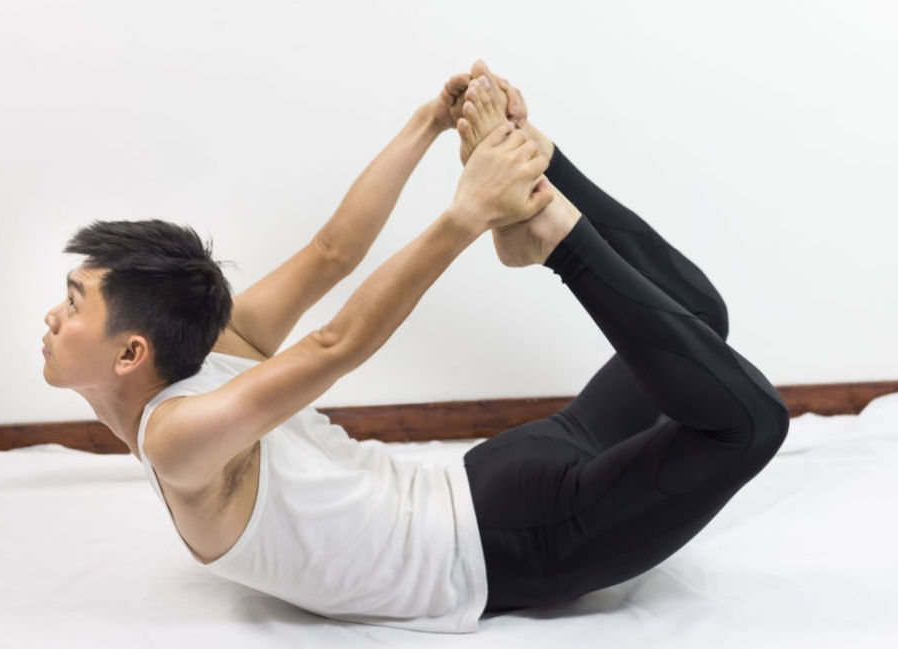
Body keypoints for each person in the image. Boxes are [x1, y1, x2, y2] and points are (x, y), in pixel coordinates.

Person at [40, 60, 788, 634]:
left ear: (133, 352)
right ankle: (542, 191)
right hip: (511, 494)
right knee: (708, 344)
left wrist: (433, 127)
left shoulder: (188, 401)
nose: (51, 317)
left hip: (511, 526)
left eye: (72, 304)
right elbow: (332, 301)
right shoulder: (198, 392)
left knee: (735, 395)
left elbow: (335, 278)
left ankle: (546, 202)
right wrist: (458, 199)